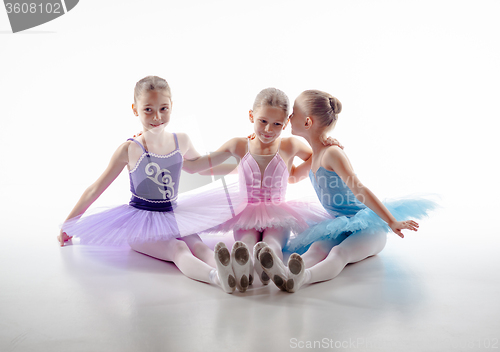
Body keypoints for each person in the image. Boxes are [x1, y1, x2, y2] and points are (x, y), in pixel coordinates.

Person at [58, 76, 242, 293]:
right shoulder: (129, 149)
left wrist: (237, 164)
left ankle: (236, 273)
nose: (157, 116)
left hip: (173, 214)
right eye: (148, 110)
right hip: (140, 222)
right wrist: (69, 223)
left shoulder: (180, 140)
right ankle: (217, 278)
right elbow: (95, 189)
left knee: (199, 245)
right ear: (135, 109)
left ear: (172, 106)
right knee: (178, 248)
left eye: (163, 108)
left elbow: (198, 167)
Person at [257, 89, 437, 293]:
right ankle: (283, 272)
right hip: (340, 225)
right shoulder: (315, 157)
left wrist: (391, 220)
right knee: (317, 248)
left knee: (339, 253)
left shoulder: (332, 154)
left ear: (307, 122)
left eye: (293, 114)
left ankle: (301, 279)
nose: (289, 118)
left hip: (369, 227)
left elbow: (360, 190)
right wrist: (275, 143)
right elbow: (291, 177)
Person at [183, 88, 338, 292]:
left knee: (272, 242)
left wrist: (295, 173)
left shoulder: (290, 145)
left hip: (278, 212)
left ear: (286, 124)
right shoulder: (239, 145)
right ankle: (242, 267)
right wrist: (173, 148)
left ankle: (269, 264)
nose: (268, 130)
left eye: (277, 124)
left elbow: (316, 156)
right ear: (251, 116)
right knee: (246, 242)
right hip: (246, 212)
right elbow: (198, 167)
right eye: (263, 121)